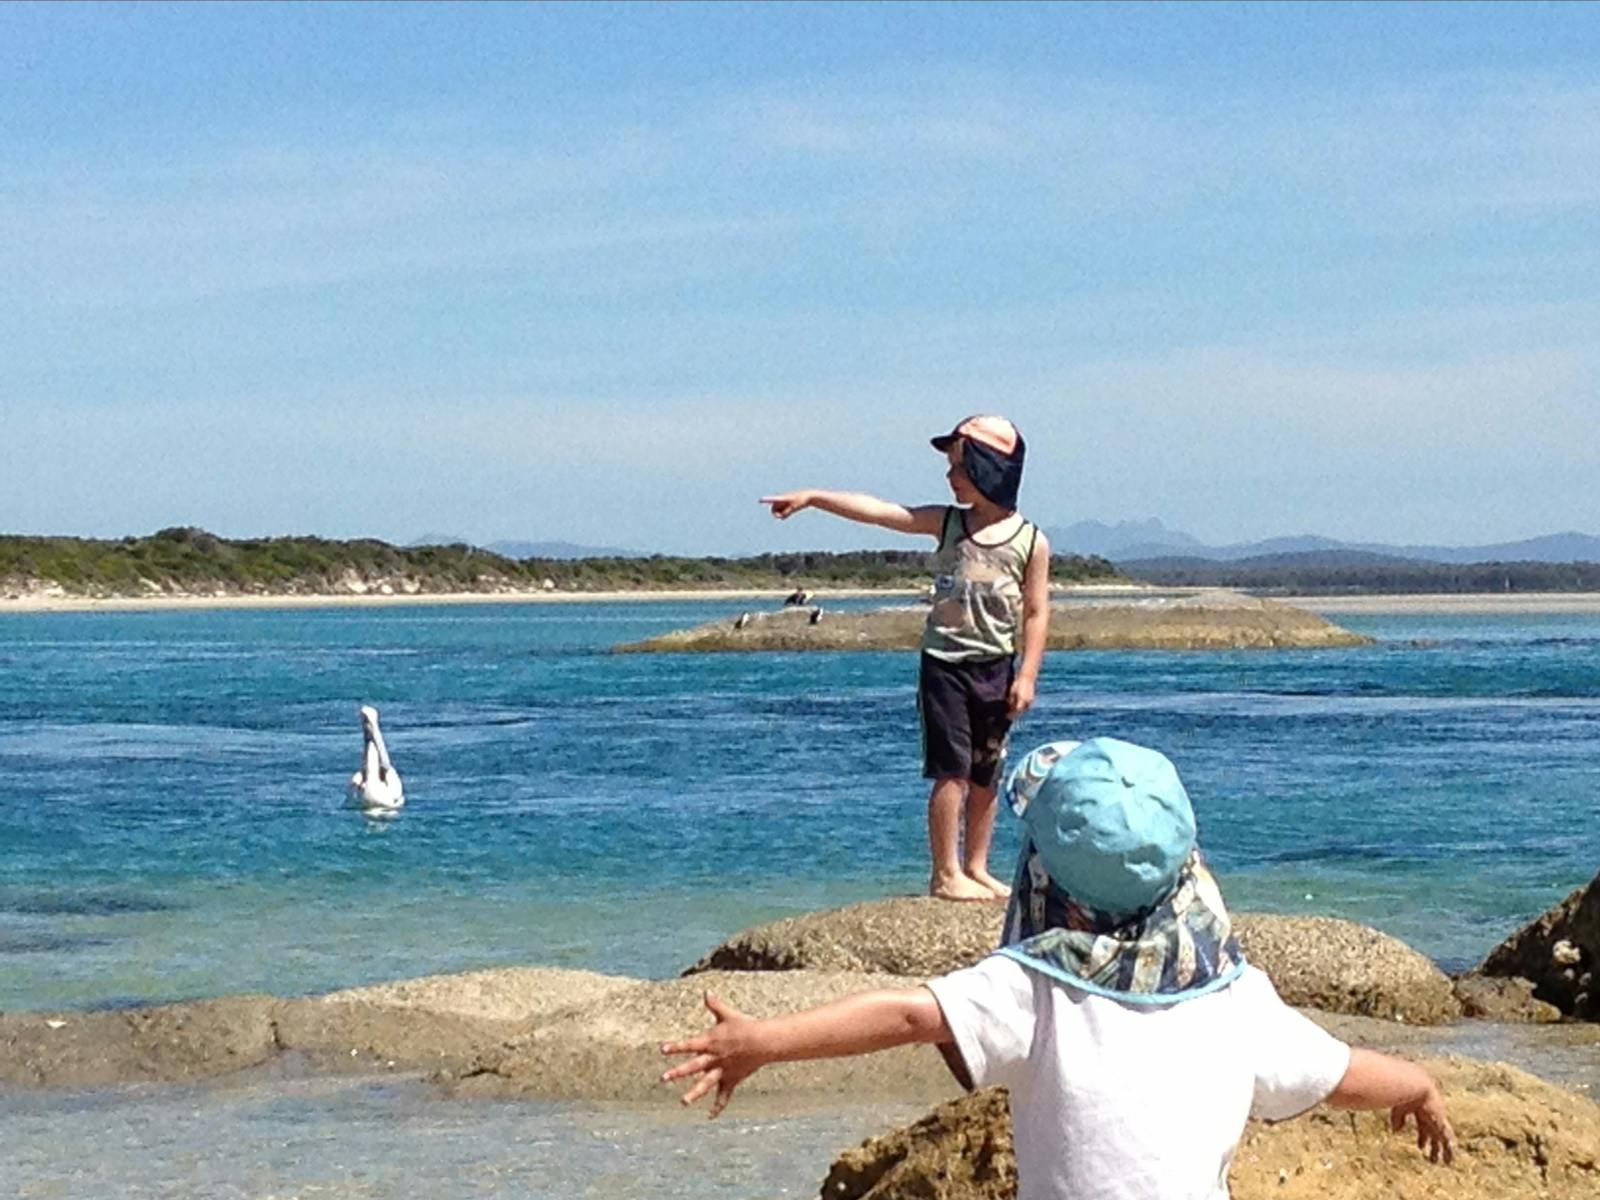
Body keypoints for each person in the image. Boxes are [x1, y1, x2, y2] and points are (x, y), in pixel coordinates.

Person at [661, 737, 1455, 1200]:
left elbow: (905, 1016)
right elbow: (1342, 1074)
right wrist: (1417, 1084)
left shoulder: (1037, 988)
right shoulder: (1235, 996)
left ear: (1043, 875)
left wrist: (763, 1041)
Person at [762, 415, 1050, 902]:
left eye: (958, 466)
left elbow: (1037, 613)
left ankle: (977, 867)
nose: (949, 477)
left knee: (986, 772)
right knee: (951, 770)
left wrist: (1027, 676)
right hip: (944, 666)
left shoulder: (1031, 541)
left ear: (989, 469)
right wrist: (814, 496)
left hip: (996, 668)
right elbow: (879, 511)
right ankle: (946, 873)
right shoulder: (947, 523)